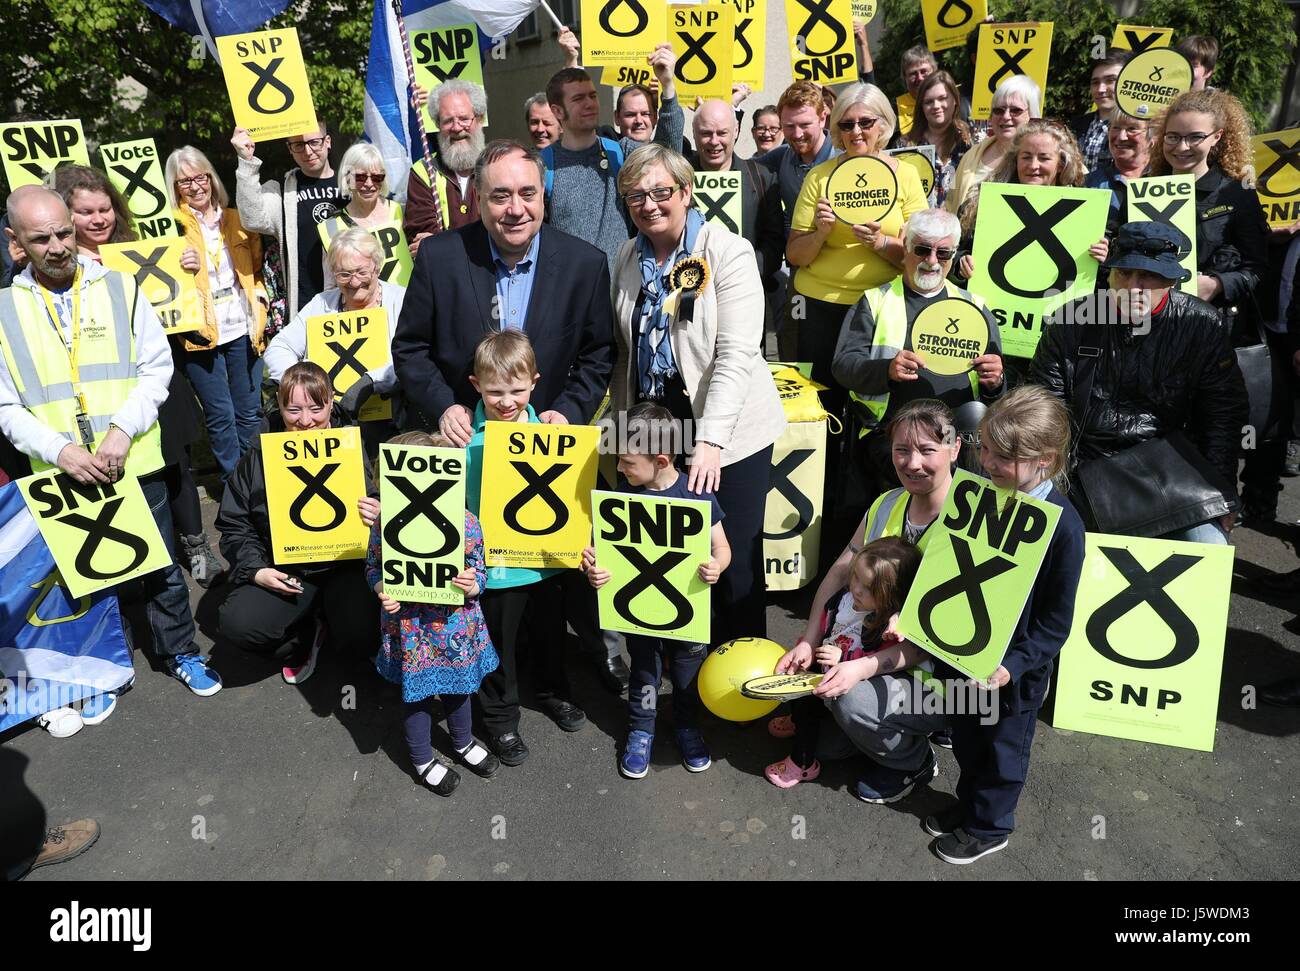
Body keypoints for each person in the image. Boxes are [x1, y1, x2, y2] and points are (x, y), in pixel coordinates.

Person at [0, 185, 222, 697]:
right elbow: (7, 405)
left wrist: (121, 433)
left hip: (133, 460)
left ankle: (181, 652)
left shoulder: (122, 287)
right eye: (41, 239)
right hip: (61, 472)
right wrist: (62, 452)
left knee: (162, 567)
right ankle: (103, 671)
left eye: (63, 232)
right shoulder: (5, 310)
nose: (58, 246)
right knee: (89, 578)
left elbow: (155, 368)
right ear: (15, 241)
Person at [610, 143, 785, 644]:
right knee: (666, 552)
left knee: (731, 560)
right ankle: (684, 675)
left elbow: (735, 355)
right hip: (656, 430)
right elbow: (625, 352)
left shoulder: (727, 252)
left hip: (727, 431)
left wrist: (710, 443)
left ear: (686, 192)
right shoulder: (626, 255)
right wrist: (621, 433)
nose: (649, 204)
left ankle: (744, 674)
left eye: (661, 192)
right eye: (636, 196)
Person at [923, 386, 1085, 865]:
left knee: (1002, 752)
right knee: (969, 738)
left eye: (1002, 458)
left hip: (1012, 675)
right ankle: (969, 806)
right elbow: (945, 566)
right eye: (985, 450)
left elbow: (1057, 622)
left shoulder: (1063, 526)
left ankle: (990, 827)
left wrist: (1013, 665)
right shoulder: (979, 496)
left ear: (1046, 460)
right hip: (963, 654)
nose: (987, 463)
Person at [766, 399, 958, 796]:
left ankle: (915, 762)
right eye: (902, 450)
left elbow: (936, 644)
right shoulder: (887, 503)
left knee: (850, 701)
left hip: (938, 678)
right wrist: (808, 639)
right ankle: (881, 731)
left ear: (955, 449)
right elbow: (840, 570)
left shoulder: (968, 524)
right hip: (871, 653)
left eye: (927, 450)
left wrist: (862, 669)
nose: (912, 462)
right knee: (818, 741)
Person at [49, 166, 221, 591]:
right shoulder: (58, 269)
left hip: (160, 375)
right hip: (102, 389)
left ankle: (197, 545)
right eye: (85, 211)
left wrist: (188, 269)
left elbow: (182, 315)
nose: (98, 219)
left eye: (104, 208)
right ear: (67, 218)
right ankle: (144, 555)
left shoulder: (141, 249)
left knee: (177, 459)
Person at [1029, 221, 1248, 544]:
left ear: (1172, 280)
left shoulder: (1201, 324)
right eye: (1124, 273)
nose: (1133, 287)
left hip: (1172, 471)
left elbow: (1223, 417)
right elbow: (1045, 408)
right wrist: (1046, 476)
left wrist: (1222, 490)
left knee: (1210, 547)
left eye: (1147, 276)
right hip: (1082, 466)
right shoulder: (1071, 320)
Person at [582, 402, 730, 779]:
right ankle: (641, 729)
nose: (619, 468)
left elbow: (723, 547)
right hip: (640, 617)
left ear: (661, 459)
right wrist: (594, 567)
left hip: (689, 614)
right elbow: (604, 553)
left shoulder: (697, 494)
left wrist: (717, 565)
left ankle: (686, 726)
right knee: (645, 674)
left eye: (627, 462)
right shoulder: (624, 496)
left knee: (686, 679)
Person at [461, 330, 585, 765]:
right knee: (498, 648)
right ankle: (500, 719)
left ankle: (553, 693)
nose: (507, 401)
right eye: (495, 392)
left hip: (548, 564)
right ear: (476, 386)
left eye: (517, 390)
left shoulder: (552, 431)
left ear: (534, 381)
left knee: (550, 638)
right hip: (494, 570)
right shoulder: (462, 440)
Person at [215, 362, 378, 682]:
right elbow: (235, 523)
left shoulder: (354, 442)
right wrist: (256, 569)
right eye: (294, 410)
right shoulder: (259, 454)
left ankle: (336, 620)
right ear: (279, 404)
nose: (306, 421)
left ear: (331, 402)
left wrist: (377, 512)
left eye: (316, 408)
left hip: (344, 567)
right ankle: (305, 634)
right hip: (290, 572)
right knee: (239, 625)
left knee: (365, 630)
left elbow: (383, 503)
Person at [1152, 90, 1273, 520]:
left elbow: (1259, 267)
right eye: (1172, 137)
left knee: (1213, 437)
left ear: (1217, 137)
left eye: (1193, 138)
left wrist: (1217, 284)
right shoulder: (1146, 188)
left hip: (1214, 337)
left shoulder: (1236, 192)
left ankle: (1214, 523)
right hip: (1152, 334)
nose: (1181, 147)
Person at [833, 208, 1003, 502]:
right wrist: (886, 369)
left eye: (944, 253)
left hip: (954, 437)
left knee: (953, 505)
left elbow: (998, 388)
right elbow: (843, 365)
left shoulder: (975, 307)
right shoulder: (876, 300)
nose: (932, 261)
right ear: (906, 248)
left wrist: (996, 381)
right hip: (891, 434)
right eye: (923, 250)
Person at [367, 429, 500, 796]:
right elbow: (373, 568)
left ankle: (462, 742)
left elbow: (481, 571)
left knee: (460, 690)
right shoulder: (384, 525)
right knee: (417, 696)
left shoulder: (467, 521)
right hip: (410, 629)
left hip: (456, 626)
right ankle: (422, 758)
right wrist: (382, 591)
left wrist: (471, 584)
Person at [785, 83, 929, 421]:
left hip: (883, 310)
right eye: (846, 124)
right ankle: (826, 473)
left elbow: (921, 259)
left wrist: (880, 244)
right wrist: (820, 233)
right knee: (822, 406)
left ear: (883, 125)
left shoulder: (905, 175)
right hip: (820, 307)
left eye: (865, 122)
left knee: (880, 404)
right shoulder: (819, 178)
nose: (856, 131)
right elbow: (795, 255)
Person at [166, 145, 266, 481]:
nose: (194, 186)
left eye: (199, 177)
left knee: (249, 413)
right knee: (220, 415)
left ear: (210, 177)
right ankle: (233, 486)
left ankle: (257, 483)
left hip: (242, 323)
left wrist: (261, 304)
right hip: (199, 329)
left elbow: (256, 267)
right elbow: (158, 277)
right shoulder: (172, 227)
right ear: (175, 187)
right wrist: (177, 266)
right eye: (184, 182)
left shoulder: (237, 218)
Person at [541, 47, 683, 273]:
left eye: (592, 95)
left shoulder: (620, 151)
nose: (590, 104)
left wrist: (668, 86)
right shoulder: (543, 166)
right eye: (578, 98)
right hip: (570, 293)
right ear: (557, 111)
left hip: (620, 292)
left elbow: (668, 159)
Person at [263, 227, 405, 423]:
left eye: (361, 272)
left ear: (377, 267)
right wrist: (302, 384)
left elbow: (411, 356)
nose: (354, 282)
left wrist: (370, 381)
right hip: (329, 421)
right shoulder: (321, 303)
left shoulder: (401, 300)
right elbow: (279, 347)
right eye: (344, 274)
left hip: (393, 414)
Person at [233, 120, 339, 321]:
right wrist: (246, 160)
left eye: (314, 142)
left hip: (353, 299)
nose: (308, 151)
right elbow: (253, 219)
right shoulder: (282, 190)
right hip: (306, 306)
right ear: (289, 149)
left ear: (328, 141)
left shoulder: (352, 185)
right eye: (298, 145)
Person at [689, 99, 785, 295]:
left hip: (745, 292)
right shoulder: (679, 177)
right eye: (706, 133)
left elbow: (775, 241)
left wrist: (746, 270)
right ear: (694, 134)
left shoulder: (763, 178)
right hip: (690, 290)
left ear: (736, 131)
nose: (714, 141)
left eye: (722, 133)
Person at [404, 79, 487, 252]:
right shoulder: (423, 172)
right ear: (437, 124)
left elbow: (504, 229)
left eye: (464, 119)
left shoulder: (497, 165)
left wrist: (442, 245)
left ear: (479, 119)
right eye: (448, 121)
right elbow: (420, 239)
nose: (456, 128)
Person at [946, 75, 1041, 216]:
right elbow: (951, 203)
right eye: (999, 110)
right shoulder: (972, 154)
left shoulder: (1046, 156)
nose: (1006, 116)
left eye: (1015, 110)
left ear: (1032, 115)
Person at [755, 81, 836, 233]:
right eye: (789, 126)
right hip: (797, 252)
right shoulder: (780, 158)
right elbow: (739, 168)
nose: (797, 134)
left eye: (805, 125)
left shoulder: (844, 158)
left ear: (822, 118)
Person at [899, 72, 973, 210]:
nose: (936, 106)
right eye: (928, 101)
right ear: (921, 106)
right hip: (920, 227)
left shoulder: (971, 142)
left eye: (942, 98)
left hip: (960, 226)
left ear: (955, 100)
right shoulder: (905, 146)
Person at [1083, 108, 1154, 238]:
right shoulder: (1088, 184)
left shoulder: (1169, 182)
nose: (1121, 137)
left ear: (1152, 136)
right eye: (1115, 128)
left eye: (1132, 129)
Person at [317, 143, 402, 248]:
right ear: (347, 178)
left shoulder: (400, 210)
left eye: (376, 177)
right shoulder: (331, 226)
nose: (369, 184)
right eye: (360, 177)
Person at [1069, 51, 1128, 171]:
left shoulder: (1142, 130)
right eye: (1095, 82)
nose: (1100, 89)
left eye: (1110, 80)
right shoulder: (1075, 125)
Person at [895, 45, 938, 137]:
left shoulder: (952, 97)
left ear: (935, 72)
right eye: (913, 74)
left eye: (924, 71)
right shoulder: (894, 110)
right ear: (905, 78)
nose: (920, 78)